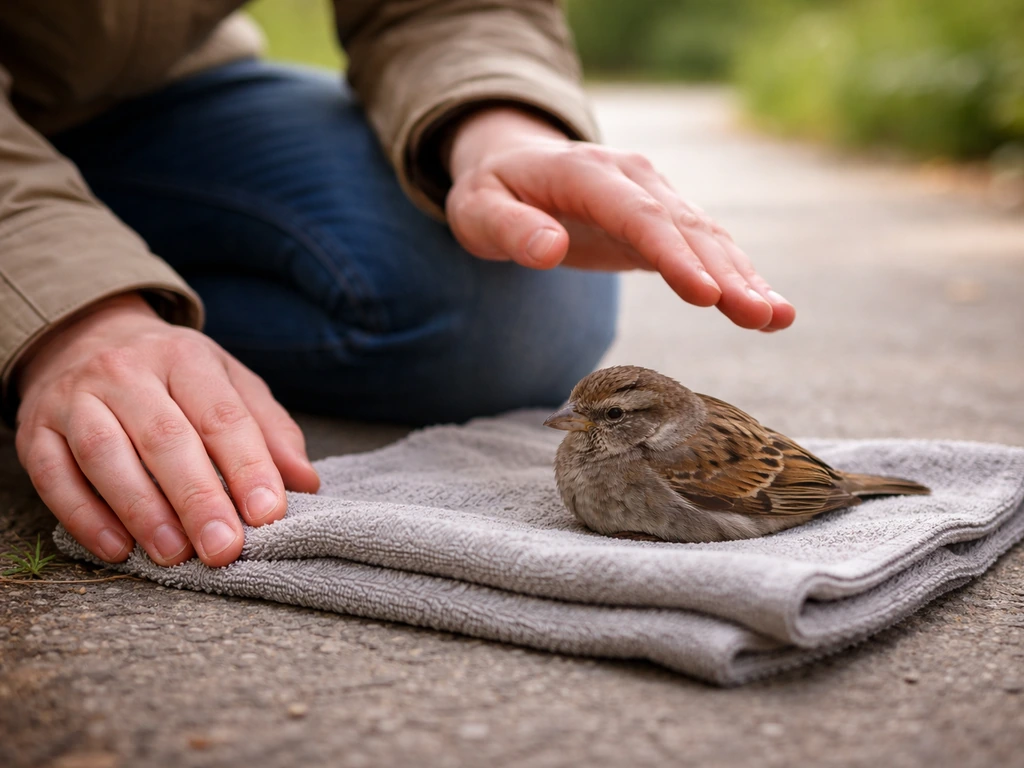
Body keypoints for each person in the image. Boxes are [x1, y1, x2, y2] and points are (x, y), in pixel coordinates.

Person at [0, 1, 795, 572]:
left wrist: (492, 124)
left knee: (522, 302)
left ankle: (154, 303)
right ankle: (91, 331)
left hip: (156, 94)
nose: (573, 427)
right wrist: (70, 312)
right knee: (57, 311)